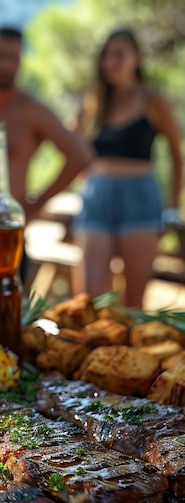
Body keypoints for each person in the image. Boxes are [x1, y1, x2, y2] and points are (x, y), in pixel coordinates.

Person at [72, 28, 183, 307]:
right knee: (89, 301)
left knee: (133, 306)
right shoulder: (94, 102)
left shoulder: (152, 100)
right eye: (107, 55)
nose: (112, 62)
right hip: (97, 198)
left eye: (119, 54)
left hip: (140, 199)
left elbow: (176, 155)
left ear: (137, 57)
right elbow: (70, 145)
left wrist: (172, 208)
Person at [0, 26, 92, 282]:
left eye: (13, 57)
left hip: (9, 235)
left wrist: (37, 203)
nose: (5, 64)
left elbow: (80, 156)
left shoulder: (31, 111)